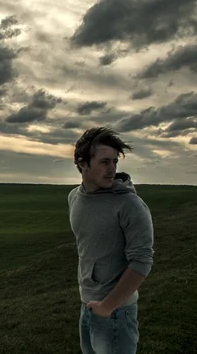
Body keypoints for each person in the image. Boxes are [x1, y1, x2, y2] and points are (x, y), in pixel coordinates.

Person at [68, 127, 154, 354]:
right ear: (82, 163)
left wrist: (107, 307)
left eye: (114, 162)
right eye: (104, 162)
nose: (112, 169)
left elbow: (142, 261)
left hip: (117, 312)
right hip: (87, 306)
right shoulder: (74, 198)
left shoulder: (130, 205)